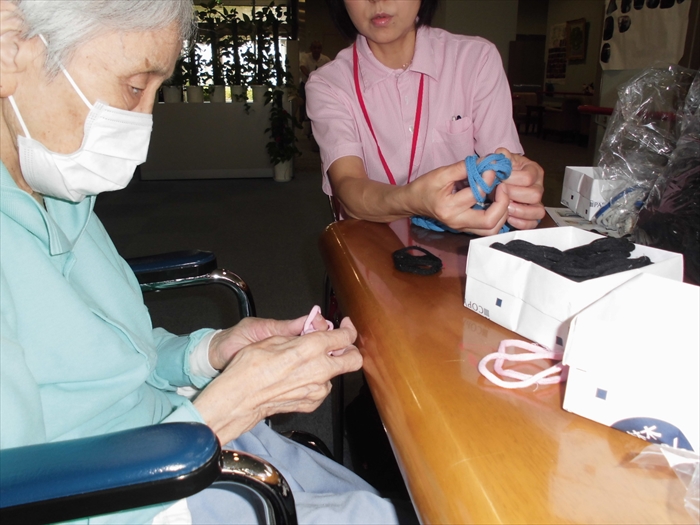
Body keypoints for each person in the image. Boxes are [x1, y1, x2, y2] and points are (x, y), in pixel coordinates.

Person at [0, 1, 408, 524]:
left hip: (173, 426)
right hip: (137, 493)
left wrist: (211, 352)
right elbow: (24, 498)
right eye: (134, 86)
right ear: (10, 49)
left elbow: (117, 358)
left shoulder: (57, 193)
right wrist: (223, 410)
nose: (144, 121)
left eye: (156, 89)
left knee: (379, 503)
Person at [306, 0, 546, 236]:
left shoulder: (476, 60)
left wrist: (514, 187)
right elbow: (348, 185)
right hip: (372, 242)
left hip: (464, 243)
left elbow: (499, 168)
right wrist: (412, 200)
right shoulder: (329, 84)